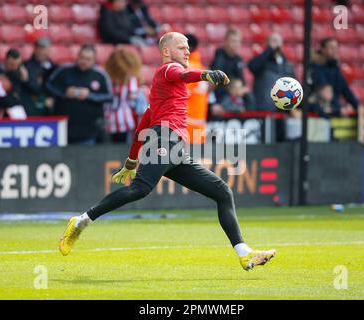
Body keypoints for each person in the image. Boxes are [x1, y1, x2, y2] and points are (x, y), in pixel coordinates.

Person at [58, 32, 276, 271]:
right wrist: (205, 74)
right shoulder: (168, 70)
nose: (187, 51)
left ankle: (244, 254)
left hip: (176, 147)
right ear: (166, 52)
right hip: (165, 138)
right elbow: (182, 73)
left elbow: (143, 123)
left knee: (222, 192)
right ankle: (81, 221)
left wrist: (131, 160)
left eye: (188, 47)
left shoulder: (162, 90)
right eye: (181, 47)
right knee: (141, 189)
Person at [46, 44, 113, 145]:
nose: (84, 61)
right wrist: (65, 93)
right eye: (82, 57)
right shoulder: (64, 70)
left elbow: (109, 96)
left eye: (88, 59)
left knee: (85, 158)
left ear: (94, 60)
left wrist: (89, 95)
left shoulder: (100, 75)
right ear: (77, 56)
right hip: (63, 126)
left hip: (89, 129)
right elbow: (49, 85)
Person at [104, 47, 147, 143]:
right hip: (111, 121)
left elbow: (138, 105)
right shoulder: (106, 79)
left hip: (126, 122)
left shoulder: (132, 80)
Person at [311, 37, 359, 116]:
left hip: (335, 111)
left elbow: (345, 89)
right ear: (323, 49)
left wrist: (357, 106)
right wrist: (337, 109)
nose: (335, 50)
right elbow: (325, 95)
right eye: (331, 48)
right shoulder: (317, 68)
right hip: (322, 114)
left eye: (336, 48)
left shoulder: (335, 67)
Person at [248, 33, 295, 111]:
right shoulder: (262, 61)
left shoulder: (287, 64)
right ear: (267, 43)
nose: (275, 43)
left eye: (278, 41)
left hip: (282, 108)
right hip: (263, 107)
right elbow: (252, 66)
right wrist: (269, 50)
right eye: (273, 41)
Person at [21, 37, 57, 116]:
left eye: (43, 48)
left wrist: (52, 98)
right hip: (31, 107)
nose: (41, 51)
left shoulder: (55, 68)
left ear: (49, 50)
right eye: (39, 48)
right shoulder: (26, 66)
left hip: (49, 109)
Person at [184, 33, 209, 144]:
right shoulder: (201, 68)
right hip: (199, 126)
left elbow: (180, 97)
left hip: (186, 127)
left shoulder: (187, 69)